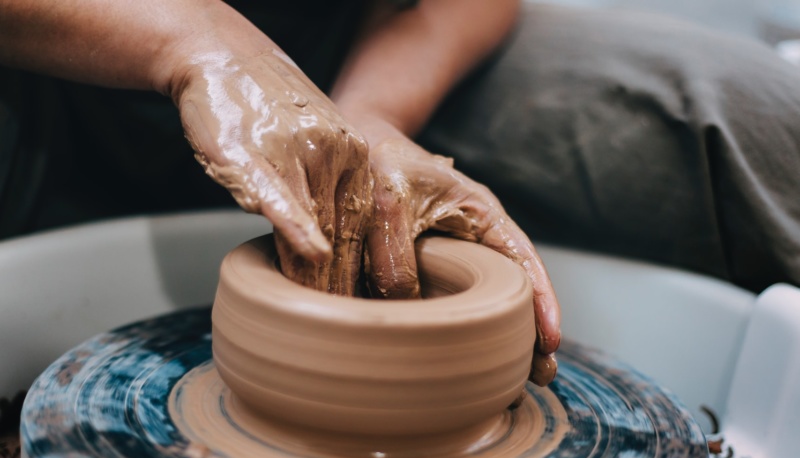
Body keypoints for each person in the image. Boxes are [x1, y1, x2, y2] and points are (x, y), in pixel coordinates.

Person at [2, 1, 799, 386]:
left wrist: (376, 116)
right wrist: (196, 41)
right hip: (44, 63)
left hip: (357, 45)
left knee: (759, 123)